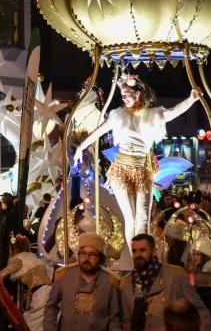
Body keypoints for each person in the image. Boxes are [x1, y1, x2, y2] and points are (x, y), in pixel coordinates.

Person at [74, 75, 200, 240]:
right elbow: (98, 132)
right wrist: (80, 148)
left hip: (143, 170)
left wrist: (191, 99)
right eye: (122, 95)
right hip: (121, 169)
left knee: (143, 219)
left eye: (127, 94)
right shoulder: (117, 115)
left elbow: (173, 112)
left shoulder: (152, 114)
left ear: (138, 94)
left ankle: (141, 258)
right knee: (130, 218)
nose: (123, 98)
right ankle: (135, 260)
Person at [120, 234, 211, 331]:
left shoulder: (175, 275)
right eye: (134, 251)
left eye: (142, 250)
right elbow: (127, 321)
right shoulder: (126, 283)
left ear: (154, 251)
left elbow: (201, 311)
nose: (138, 255)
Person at [43, 232, 122, 331]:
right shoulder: (64, 275)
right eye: (83, 253)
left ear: (100, 258)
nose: (86, 258)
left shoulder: (110, 282)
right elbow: (50, 307)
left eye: (92, 254)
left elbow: (114, 317)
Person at [0, 235, 53, 331]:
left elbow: (2, 274)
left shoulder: (18, 260)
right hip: (47, 291)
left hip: (40, 293)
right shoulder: (32, 257)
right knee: (37, 323)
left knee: (26, 325)